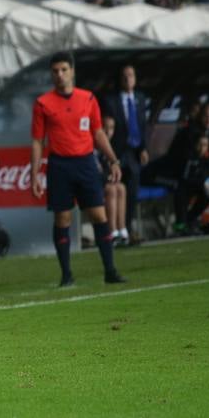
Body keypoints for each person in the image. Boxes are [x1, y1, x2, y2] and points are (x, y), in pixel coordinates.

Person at [30, 53, 125, 287]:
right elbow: (37, 141)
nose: (60, 75)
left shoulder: (88, 98)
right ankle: (66, 275)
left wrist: (113, 160)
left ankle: (110, 271)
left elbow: (98, 132)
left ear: (72, 71)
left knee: (99, 215)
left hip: (85, 163)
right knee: (63, 219)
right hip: (59, 165)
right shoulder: (43, 103)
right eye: (55, 71)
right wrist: (35, 174)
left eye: (64, 69)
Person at [103, 64, 148, 244]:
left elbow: (143, 125)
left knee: (132, 192)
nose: (128, 78)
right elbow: (106, 128)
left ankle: (127, 229)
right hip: (116, 153)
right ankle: (113, 231)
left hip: (134, 152)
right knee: (116, 187)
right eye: (124, 75)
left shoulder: (140, 98)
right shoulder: (110, 100)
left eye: (131, 75)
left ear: (135, 78)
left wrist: (143, 148)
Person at [99, 117, 128, 244]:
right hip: (96, 183)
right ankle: (112, 231)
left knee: (121, 187)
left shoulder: (114, 146)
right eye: (105, 128)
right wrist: (107, 177)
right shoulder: (95, 146)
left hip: (107, 182)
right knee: (111, 189)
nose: (108, 132)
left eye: (111, 128)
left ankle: (122, 229)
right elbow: (96, 169)